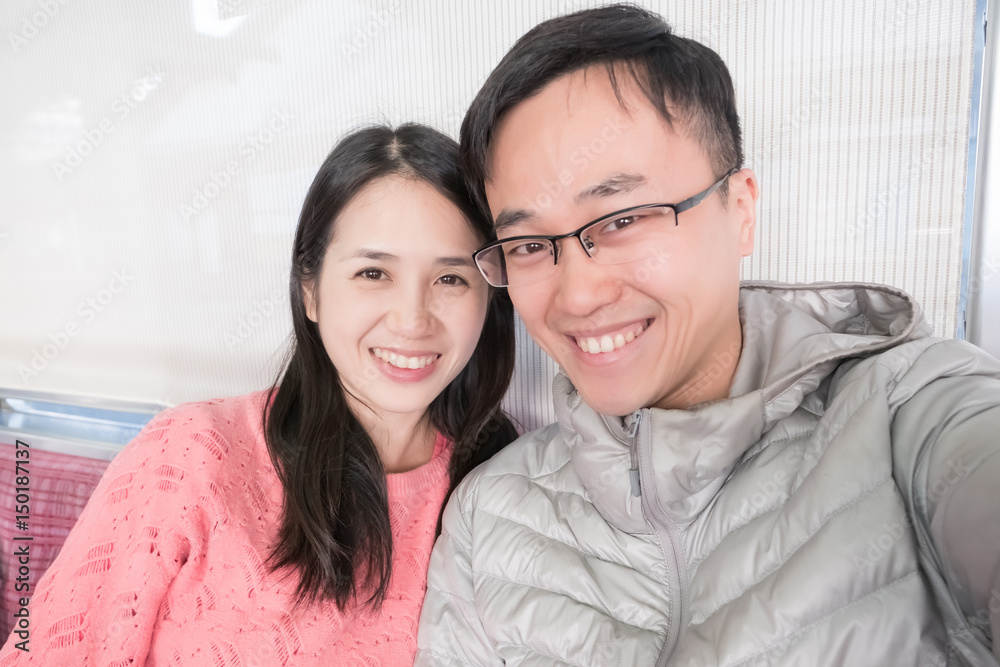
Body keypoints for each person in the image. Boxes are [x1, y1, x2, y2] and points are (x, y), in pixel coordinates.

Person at [415, 6, 1000, 666]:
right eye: (526, 244)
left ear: (741, 210)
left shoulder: (907, 412)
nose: (576, 294)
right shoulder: (486, 520)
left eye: (623, 218)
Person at [0, 123, 517, 665]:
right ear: (310, 290)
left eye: (451, 279)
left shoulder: (500, 485)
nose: (413, 320)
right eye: (373, 272)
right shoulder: (191, 456)